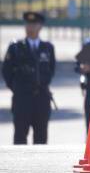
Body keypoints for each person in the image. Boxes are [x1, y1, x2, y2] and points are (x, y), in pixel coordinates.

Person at [2, 12, 55, 144]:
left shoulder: (47, 48)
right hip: (22, 99)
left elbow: (51, 70)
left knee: (41, 138)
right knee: (20, 137)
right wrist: (17, 88)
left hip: (41, 99)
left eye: (34, 24)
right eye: (28, 24)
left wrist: (41, 84)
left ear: (40, 26)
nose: (30, 27)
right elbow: (6, 71)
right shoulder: (15, 47)